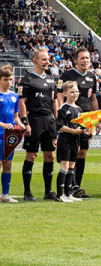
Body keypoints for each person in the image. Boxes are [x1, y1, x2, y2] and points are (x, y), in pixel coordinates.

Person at [55, 47, 98, 198]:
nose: (85, 60)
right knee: (73, 151)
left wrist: (96, 120)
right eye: (82, 58)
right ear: (76, 60)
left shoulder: (92, 77)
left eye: (87, 58)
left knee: (83, 152)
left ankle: (76, 186)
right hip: (71, 117)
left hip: (86, 119)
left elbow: (93, 99)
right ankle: (68, 187)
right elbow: (60, 95)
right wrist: (62, 111)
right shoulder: (67, 75)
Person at [18, 48, 59, 202]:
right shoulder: (27, 79)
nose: (47, 61)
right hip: (34, 121)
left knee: (50, 155)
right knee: (32, 155)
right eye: (43, 59)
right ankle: (27, 192)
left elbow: (54, 100)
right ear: (35, 61)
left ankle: (48, 191)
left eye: (47, 59)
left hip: (49, 121)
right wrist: (25, 122)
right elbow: (22, 102)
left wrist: (56, 118)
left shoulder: (51, 79)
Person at [55, 81, 86, 202]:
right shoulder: (63, 107)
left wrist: (85, 131)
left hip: (75, 140)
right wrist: (74, 131)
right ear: (65, 93)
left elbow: (80, 126)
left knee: (72, 166)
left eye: (77, 91)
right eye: (72, 92)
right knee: (65, 166)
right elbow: (60, 126)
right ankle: (60, 195)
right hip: (65, 140)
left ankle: (68, 194)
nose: (75, 94)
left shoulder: (79, 108)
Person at [0, 65, 22, 202]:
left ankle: (5, 195)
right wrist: (2, 124)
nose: (9, 82)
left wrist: (19, 123)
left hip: (9, 138)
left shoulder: (14, 96)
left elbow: (15, 116)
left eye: (11, 79)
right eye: (6, 79)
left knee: (8, 164)